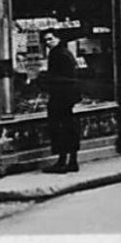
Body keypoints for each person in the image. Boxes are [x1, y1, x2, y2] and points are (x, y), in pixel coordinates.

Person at [39, 29, 81, 173]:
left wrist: (46, 79)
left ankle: (62, 162)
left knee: (59, 127)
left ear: (58, 39)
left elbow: (64, 76)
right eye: (46, 40)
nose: (48, 42)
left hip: (60, 95)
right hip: (68, 96)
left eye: (50, 39)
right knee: (69, 127)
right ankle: (72, 161)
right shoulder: (65, 52)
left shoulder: (57, 54)